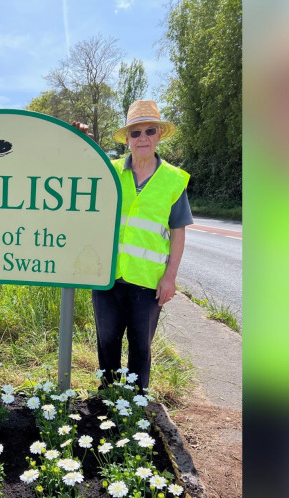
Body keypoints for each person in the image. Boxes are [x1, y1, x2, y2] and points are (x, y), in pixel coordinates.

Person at [87, 99, 193, 391]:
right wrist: (81, 140)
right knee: (106, 341)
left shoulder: (172, 180)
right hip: (108, 276)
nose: (142, 138)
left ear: (159, 135)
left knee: (140, 349)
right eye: (136, 132)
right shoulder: (109, 172)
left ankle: (135, 405)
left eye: (149, 131)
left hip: (147, 282)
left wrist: (170, 277)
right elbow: (78, 172)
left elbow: (178, 231)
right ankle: (107, 399)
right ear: (128, 139)